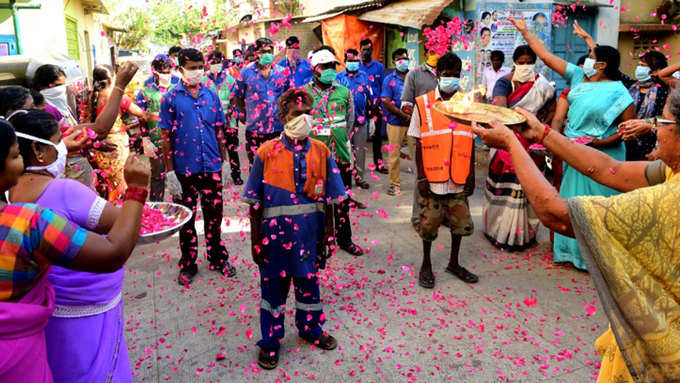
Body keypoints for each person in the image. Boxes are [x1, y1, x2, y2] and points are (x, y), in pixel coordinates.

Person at [472, 86, 680, 383]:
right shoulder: (673, 170)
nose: (655, 130)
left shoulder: (671, 202)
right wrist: (542, 134)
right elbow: (611, 169)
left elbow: (554, 213)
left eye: (663, 122)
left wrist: (511, 142)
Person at [0, 119, 149, 382]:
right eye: (14, 157)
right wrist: (136, 190)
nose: (20, 164)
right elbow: (113, 252)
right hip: (17, 360)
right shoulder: (27, 222)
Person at [509, 15, 636, 270]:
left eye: (591, 56)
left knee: (601, 209)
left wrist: (597, 143)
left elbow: (626, 130)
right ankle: (571, 254)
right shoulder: (579, 76)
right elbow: (545, 56)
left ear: (601, 65)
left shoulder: (620, 92)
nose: (586, 59)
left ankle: (600, 259)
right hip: (573, 153)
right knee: (574, 204)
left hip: (605, 157)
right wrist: (525, 32)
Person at [244, 88, 343, 370]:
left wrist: (329, 235)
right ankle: (271, 342)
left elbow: (331, 199)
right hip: (274, 242)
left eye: (308, 114)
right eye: (297, 114)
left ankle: (311, 328)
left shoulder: (322, 151)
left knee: (309, 285)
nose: (304, 119)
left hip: (310, 238)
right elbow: (254, 203)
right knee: (273, 291)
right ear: (283, 116)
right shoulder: (266, 153)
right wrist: (255, 241)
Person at [159, 48, 236, 285]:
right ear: (180, 69)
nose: (198, 71)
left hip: (211, 165)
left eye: (200, 67)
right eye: (192, 67)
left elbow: (219, 129)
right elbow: (165, 136)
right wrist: (170, 171)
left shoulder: (210, 95)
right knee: (187, 220)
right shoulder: (170, 98)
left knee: (215, 217)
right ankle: (188, 263)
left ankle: (217, 257)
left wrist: (224, 162)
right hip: (185, 170)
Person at [407, 52, 477, 289]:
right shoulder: (423, 103)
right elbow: (417, 141)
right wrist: (421, 177)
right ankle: (426, 264)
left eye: (456, 75)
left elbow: (471, 140)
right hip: (433, 177)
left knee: (460, 223)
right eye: (447, 75)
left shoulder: (468, 104)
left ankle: (454, 263)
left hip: (458, 175)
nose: (451, 80)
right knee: (429, 224)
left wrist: (471, 175)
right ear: (438, 75)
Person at [484, 44, 555, 251]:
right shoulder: (504, 83)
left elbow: (553, 110)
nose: (525, 66)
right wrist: (521, 126)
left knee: (529, 188)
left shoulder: (542, 85)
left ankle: (525, 234)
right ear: (514, 63)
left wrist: (539, 127)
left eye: (529, 62)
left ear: (535, 63)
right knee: (504, 188)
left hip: (533, 144)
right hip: (506, 142)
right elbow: (500, 110)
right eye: (521, 63)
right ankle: (499, 231)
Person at [32, 62, 138, 187]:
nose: (61, 89)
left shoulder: (64, 107)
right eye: (56, 86)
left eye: (63, 85)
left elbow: (74, 133)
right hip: (67, 169)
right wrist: (119, 86)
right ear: (41, 87)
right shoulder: (47, 110)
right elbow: (100, 129)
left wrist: (94, 144)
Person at [304, 47, 364, 256]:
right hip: (314, 158)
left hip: (340, 156)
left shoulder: (344, 92)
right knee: (317, 200)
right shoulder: (304, 94)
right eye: (325, 66)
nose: (330, 70)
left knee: (342, 199)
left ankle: (344, 239)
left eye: (332, 66)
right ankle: (321, 240)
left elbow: (349, 121)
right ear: (314, 70)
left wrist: (339, 139)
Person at [87, 65, 148, 202]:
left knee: (106, 180)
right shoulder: (116, 96)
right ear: (110, 79)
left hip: (97, 144)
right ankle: (119, 210)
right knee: (120, 180)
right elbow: (140, 113)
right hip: (116, 144)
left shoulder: (91, 96)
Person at [233, 37, 289, 165]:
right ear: (256, 53)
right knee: (257, 167)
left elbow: (287, 96)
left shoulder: (281, 72)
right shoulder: (246, 72)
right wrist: (243, 114)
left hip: (277, 128)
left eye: (269, 51)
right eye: (263, 52)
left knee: (279, 166)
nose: (267, 55)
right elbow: (238, 96)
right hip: (255, 129)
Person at [402, 48, 441, 226]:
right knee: (422, 174)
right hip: (423, 132)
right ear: (426, 53)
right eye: (434, 50)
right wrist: (420, 118)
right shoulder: (414, 74)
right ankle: (417, 216)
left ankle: (443, 214)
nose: (438, 53)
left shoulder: (447, 73)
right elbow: (406, 104)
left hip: (445, 133)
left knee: (443, 174)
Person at [136, 54, 177, 201]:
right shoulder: (145, 92)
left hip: (177, 140)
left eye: (168, 72)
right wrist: (146, 140)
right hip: (156, 140)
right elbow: (142, 119)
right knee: (158, 176)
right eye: (163, 72)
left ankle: (180, 205)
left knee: (178, 175)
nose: (166, 75)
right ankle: (156, 207)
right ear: (155, 72)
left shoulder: (176, 88)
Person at [618, 51, 670, 161]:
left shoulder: (664, 91)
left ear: (655, 70)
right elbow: (614, 71)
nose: (639, 68)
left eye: (643, 66)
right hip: (626, 141)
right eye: (638, 65)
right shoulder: (631, 85)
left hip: (649, 145)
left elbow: (666, 121)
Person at [337, 48, 373, 189]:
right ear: (345, 61)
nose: (353, 63)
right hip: (344, 122)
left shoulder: (364, 76)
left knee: (360, 152)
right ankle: (344, 180)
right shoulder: (339, 78)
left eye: (355, 61)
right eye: (350, 61)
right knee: (344, 151)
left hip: (361, 121)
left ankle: (359, 178)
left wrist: (371, 118)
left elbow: (370, 97)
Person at [205, 50, 242, 185]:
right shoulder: (204, 81)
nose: (216, 64)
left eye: (218, 62)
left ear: (222, 62)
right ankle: (217, 174)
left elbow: (234, 100)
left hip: (229, 122)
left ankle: (236, 174)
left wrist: (228, 115)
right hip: (212, 123)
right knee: (214, 148)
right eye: (213, 62)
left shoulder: (230, 80)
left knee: (232, 149)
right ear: (208, 64)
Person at [382, 48, 413, 196]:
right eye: (400, 59)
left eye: (405, 59)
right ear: (394, 62)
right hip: (395, 122)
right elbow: (387, 102)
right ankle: (394, 184)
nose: (403, 62)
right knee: (394, 156)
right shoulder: (389, 80)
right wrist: (402, 115)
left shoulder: (413, 77)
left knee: (418, 154)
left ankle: (422, 183)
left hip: (414, 122)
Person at [359, 38, 387, 174]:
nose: (366, 52)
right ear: (360, 50)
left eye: (368, 49)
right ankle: (356, 167)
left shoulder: (379, 67)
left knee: (377, 138)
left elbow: (383, 87)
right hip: (360, 107)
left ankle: (379, 164)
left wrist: (378, 103)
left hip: (376, 106)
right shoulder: (356, 66)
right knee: (357, 137)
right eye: (364, 49)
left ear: (372, 50)